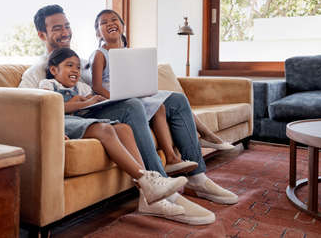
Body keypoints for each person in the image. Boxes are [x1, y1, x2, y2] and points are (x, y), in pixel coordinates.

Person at [19, 4, 237, 225]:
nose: (65, 32)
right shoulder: (37, 71)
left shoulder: (81, 62)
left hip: (103, 104)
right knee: (132, 106)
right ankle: (160, 190)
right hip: (84, 115)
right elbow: (25, 106)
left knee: (176, 100)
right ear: (41, 34)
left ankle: (198, 178)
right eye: (57, 28)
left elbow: (98, 87)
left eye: (67, 26)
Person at [39, 47, 187, 208]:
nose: (75, 70)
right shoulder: (48, 84)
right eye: (69, 65)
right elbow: (52, 107)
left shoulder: (82, 87)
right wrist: (82, 103)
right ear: (53, 69)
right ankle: (149, 183)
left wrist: (95, 100)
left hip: (81, 119)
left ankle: (147, 192)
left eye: (78, 67)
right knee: (106, 130)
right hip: (62, 120)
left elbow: (90, 105)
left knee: (124, 129)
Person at [90, 9, 234, 167]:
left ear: (122, 26)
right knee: (159, 108)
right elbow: (97, 86)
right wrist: (115, 97)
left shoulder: (127, 52)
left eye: (114, 20)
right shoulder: (100, 54)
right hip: (117, 99)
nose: (110, 23)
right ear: (98, 33)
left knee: (177, 98)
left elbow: (134, 77)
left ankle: (206, 135)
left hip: (133, 94)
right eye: (103, 23)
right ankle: (172, 156)